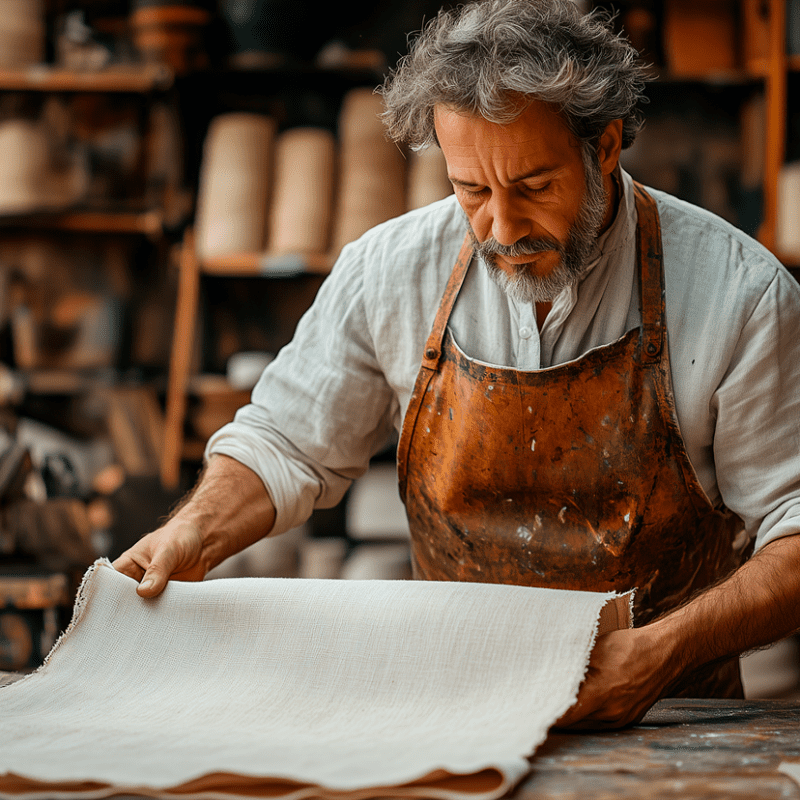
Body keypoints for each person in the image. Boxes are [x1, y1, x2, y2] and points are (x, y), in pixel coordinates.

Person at [114, 0, 800, 728]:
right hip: (457, 711)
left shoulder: (740, 294)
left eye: (534, 187)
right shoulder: (389, 271)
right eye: (472, 190)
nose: (501, 229)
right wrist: (196, 528)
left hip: (670, 716)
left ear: (604, 149)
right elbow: (287, 442)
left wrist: (663, 653)